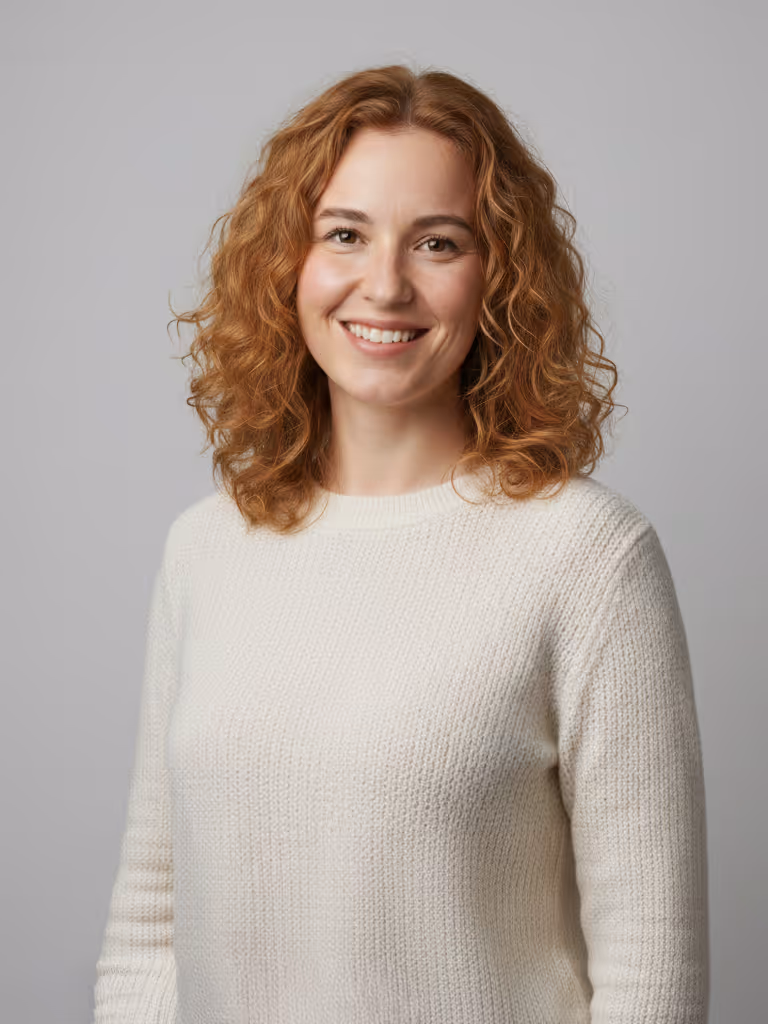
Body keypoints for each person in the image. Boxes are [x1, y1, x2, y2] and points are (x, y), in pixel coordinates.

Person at [92, 64, 709, 1023]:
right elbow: (149, 923)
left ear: (497, 274)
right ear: (288, 266)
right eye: (345, 234)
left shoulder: (589, 557)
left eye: (437, 241)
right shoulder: (205, 549)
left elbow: (651, 965)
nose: (384, 284)